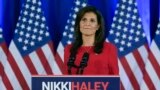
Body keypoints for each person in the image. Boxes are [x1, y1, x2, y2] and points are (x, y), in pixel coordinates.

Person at [64, 6, 119, 75]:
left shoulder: (109, 48)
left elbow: (115, 80)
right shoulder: (69, 49)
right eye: (84, 20)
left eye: (92, 20)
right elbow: (65, 79)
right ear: (79, 24)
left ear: (98, 26)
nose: (87, 24)